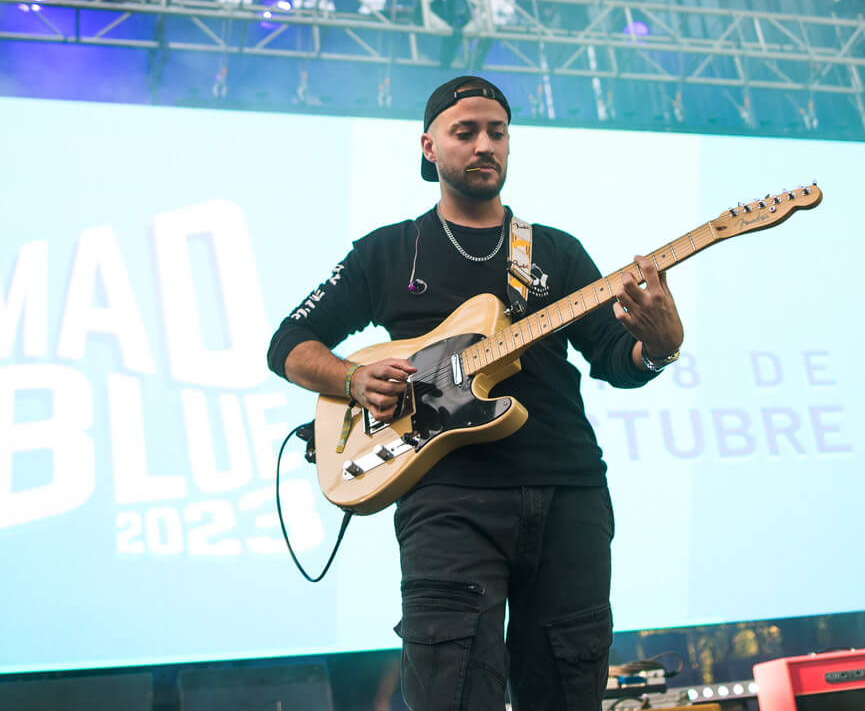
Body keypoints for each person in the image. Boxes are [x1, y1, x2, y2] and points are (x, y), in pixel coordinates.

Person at [266, 76, 685, 710]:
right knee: (452, 691)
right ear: (429, 147)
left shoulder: (555, 251)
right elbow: (291, 342)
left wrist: (659, 346)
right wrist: (352, 379)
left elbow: (612, 355)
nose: (485, 144)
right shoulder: (389, 251)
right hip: (448, 503)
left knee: (569, 688)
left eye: (497, 132)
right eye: (465, 132)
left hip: (568, 493)